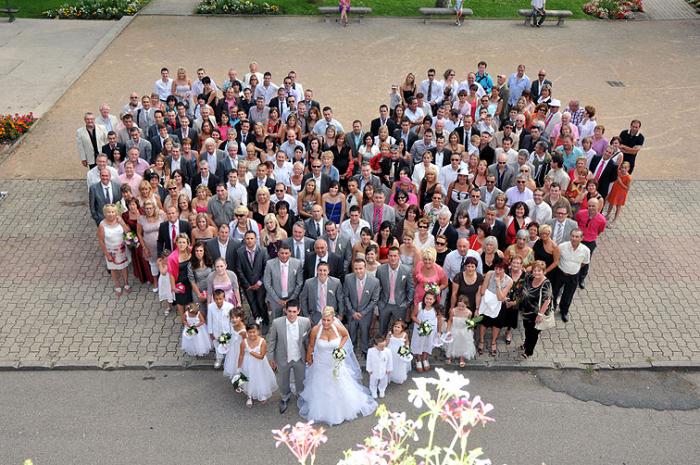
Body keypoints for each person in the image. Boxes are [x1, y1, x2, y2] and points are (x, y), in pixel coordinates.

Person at [299, 307, 377, 425]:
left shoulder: (338, 328)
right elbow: (311, 345)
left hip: (335, 362)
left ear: (333, 319)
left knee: (339, 383)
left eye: (328, 320)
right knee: (322, 385)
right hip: (321, 363)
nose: (325, 323)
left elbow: (346, 336)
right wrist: (309, 357)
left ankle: (342, 409)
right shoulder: (316, 329)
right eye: (324, 320)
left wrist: (339, 348)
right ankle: (323, 409)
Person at [266, 300, 312, 414]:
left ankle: (301, 396)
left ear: (299, 311)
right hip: (282, 357)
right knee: (283, 380)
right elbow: (271, 341)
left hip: (299, 357)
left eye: (294, 311)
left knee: (301, 379)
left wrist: (309, 355)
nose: (291, 314)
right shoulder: (277, 323)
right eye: (289, 311)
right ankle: (284, 397)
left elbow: (308, 341)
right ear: (285, 310)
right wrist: (271, 358)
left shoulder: (306, 322)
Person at [552, 229, 590, 323]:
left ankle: (564, 311)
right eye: (572, 236)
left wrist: (573, 268)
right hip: (560, 273)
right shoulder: (562, 246)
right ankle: (551, 309)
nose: (574, 238)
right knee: (554, 292)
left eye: (577, 237)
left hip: (573, 276)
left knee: (568, 295)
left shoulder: (585, 250)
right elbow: (556, 258)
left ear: (581, 238)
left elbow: (584, 263)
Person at [237, 323, 278, 407]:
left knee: (260, 378)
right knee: (249, 378)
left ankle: (262, 393)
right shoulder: (244, 342)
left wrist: (250, 352)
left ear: (258, 331)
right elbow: (241, 355)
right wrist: (239, 367)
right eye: (249, 332)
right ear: (247, 332)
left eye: (254, 332)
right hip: (247, 363)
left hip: (260, 364)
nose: (252, 334)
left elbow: (261, 356)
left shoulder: (262, 341)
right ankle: (249, 396)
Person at [477, 261, 513, 357]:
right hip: (486, 303)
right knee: (484, 323)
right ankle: (481, 341)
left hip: (499, 306)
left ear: (504, 270)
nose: (497, 271)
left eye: (500, 269)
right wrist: (492, 296)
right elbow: (483, 290)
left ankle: (493, 342)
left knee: (496, 325)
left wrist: (497, 284)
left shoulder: (509, 281)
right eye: (496, 268)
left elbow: (500, 298)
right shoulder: (489, 274)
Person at [376, 247, 414, 336]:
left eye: (395, 256)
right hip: (384, 304)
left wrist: (407, 303)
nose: (393, 258)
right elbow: (377, 287)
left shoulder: (406, 270)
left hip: (400, 305)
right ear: (388, 256)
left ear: (399, 256)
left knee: (399, 330)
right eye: (390, 256)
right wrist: (379, 302)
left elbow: (411, 288)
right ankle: (382, 346)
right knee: (382, 329)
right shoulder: (380, 270)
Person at [97, 204, 132, 297]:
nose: (111, 214)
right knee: (113, 269)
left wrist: (122, 223)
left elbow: (128, 232)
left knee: (124, 267)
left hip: (122, 249)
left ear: (116, 212)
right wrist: (107, 254)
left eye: (113, 212)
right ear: (105, 213)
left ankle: (126, 283)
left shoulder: (119, 220)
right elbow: (101, 240)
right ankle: (117, 285)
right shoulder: (102, 225)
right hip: (111, 251)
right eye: (109, 212)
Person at [519, 261, 552, 359]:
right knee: (527, 329)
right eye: (535, 270)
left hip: (537, 313)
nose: (536, 273)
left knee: (533, 333)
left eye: (539, 271)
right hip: (526, 310)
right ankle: (526, 343)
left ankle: (529, 351)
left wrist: (540, 315)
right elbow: (525, 271)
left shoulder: (546, 284)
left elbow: (547, 300)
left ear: (543, 271)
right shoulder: (530, 277)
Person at [235, 231, 269, 326]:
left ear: (256, 239)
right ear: (244, 240)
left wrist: (259, 282)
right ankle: (258, 321)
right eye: (247, 238)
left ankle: (266, 321)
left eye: (251, 238)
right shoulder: (240, 252)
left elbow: (266, 268)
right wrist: (247, 284)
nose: (249, 241)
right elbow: (239, 269)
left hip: (260, 285)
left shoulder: (263, 251)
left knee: (261, 303)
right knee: (252, 304)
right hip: (248, 285)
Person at [263, 244, 304, 320]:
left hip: (292, 298)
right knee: (276, 320)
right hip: (275, 299)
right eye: (282, 253)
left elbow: (299, 282)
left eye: (286, 253)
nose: (284, 256)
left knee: (292, 319)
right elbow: (267, 283)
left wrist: (291, 298)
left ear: (290, 253)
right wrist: (277, 299)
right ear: (278, 253)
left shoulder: (297, 263)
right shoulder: (270, 264)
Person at [575, 198, 606, 289]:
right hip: (579, 240)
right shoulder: (581, 214)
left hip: (590, 242)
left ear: (598, 207)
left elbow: (600, 231)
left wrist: (592, 235)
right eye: (589, 206)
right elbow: (576, 223)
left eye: (593, 206)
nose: (591, 208)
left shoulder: (602, 220)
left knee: (586, 261)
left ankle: (581, 278)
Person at [411, 290, 441, 372]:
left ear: (434, 300)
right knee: (419, 343)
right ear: (424, 298)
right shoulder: (420, 305)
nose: (428, 300)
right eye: (427, 298)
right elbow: (413, 316)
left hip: (431, 331)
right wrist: (420, 323)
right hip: (420, 329)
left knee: (428, 343)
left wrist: (439, 331)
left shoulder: (436, 308)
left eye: (430, 299)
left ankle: (425, 358)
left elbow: (439, 320)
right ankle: (418, 359)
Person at [445, 295, 477, 367]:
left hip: (464, 330)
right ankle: (449, 356)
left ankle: (461, 358)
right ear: (457, 304)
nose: (461, 308)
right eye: (459, 305)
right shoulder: (453, 311)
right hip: (455, 329)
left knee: (463, 344)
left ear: (467, 305)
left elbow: (469, 322)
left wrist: (471, 325)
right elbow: (450, 320)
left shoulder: (469, 313)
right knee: (452, 343)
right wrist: (448, 331)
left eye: (463, 306)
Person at [168, 233, 194, 315]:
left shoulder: (191, 251)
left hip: (191, 281)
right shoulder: (172, 257)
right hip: (180, 282)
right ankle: (183, 320)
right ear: (176, 243)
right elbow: (171, 273)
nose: (181, 244)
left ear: (187, 243)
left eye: (183, 242)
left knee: (190, 301)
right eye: (179, 242)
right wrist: (173, 287)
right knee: (181, 302)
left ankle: (191, 319)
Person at [208, 289, 234, 369]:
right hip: (216, 331)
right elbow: (209, 319)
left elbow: (231, 321)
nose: (218, 301)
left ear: (224, 298)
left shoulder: (230, 306)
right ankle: (219, 358)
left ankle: (228, 360)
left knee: (227, 345)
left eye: (220, 298)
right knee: (217, 345)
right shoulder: (211, 307)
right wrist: (210, 332)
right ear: (213, 298)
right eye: (216, 299)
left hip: (227, 331)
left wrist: (232, 332)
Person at [222, 308, 248, 380]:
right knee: (234, 363)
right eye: (232, 317)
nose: (234, 319)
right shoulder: (233, 326)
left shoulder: (243, 331)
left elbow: (246, 343)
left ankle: (243, 381)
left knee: (242, 365)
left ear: (241, 317)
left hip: (241, 350)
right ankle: (238, 380)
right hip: (233, 348)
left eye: (236, 317)